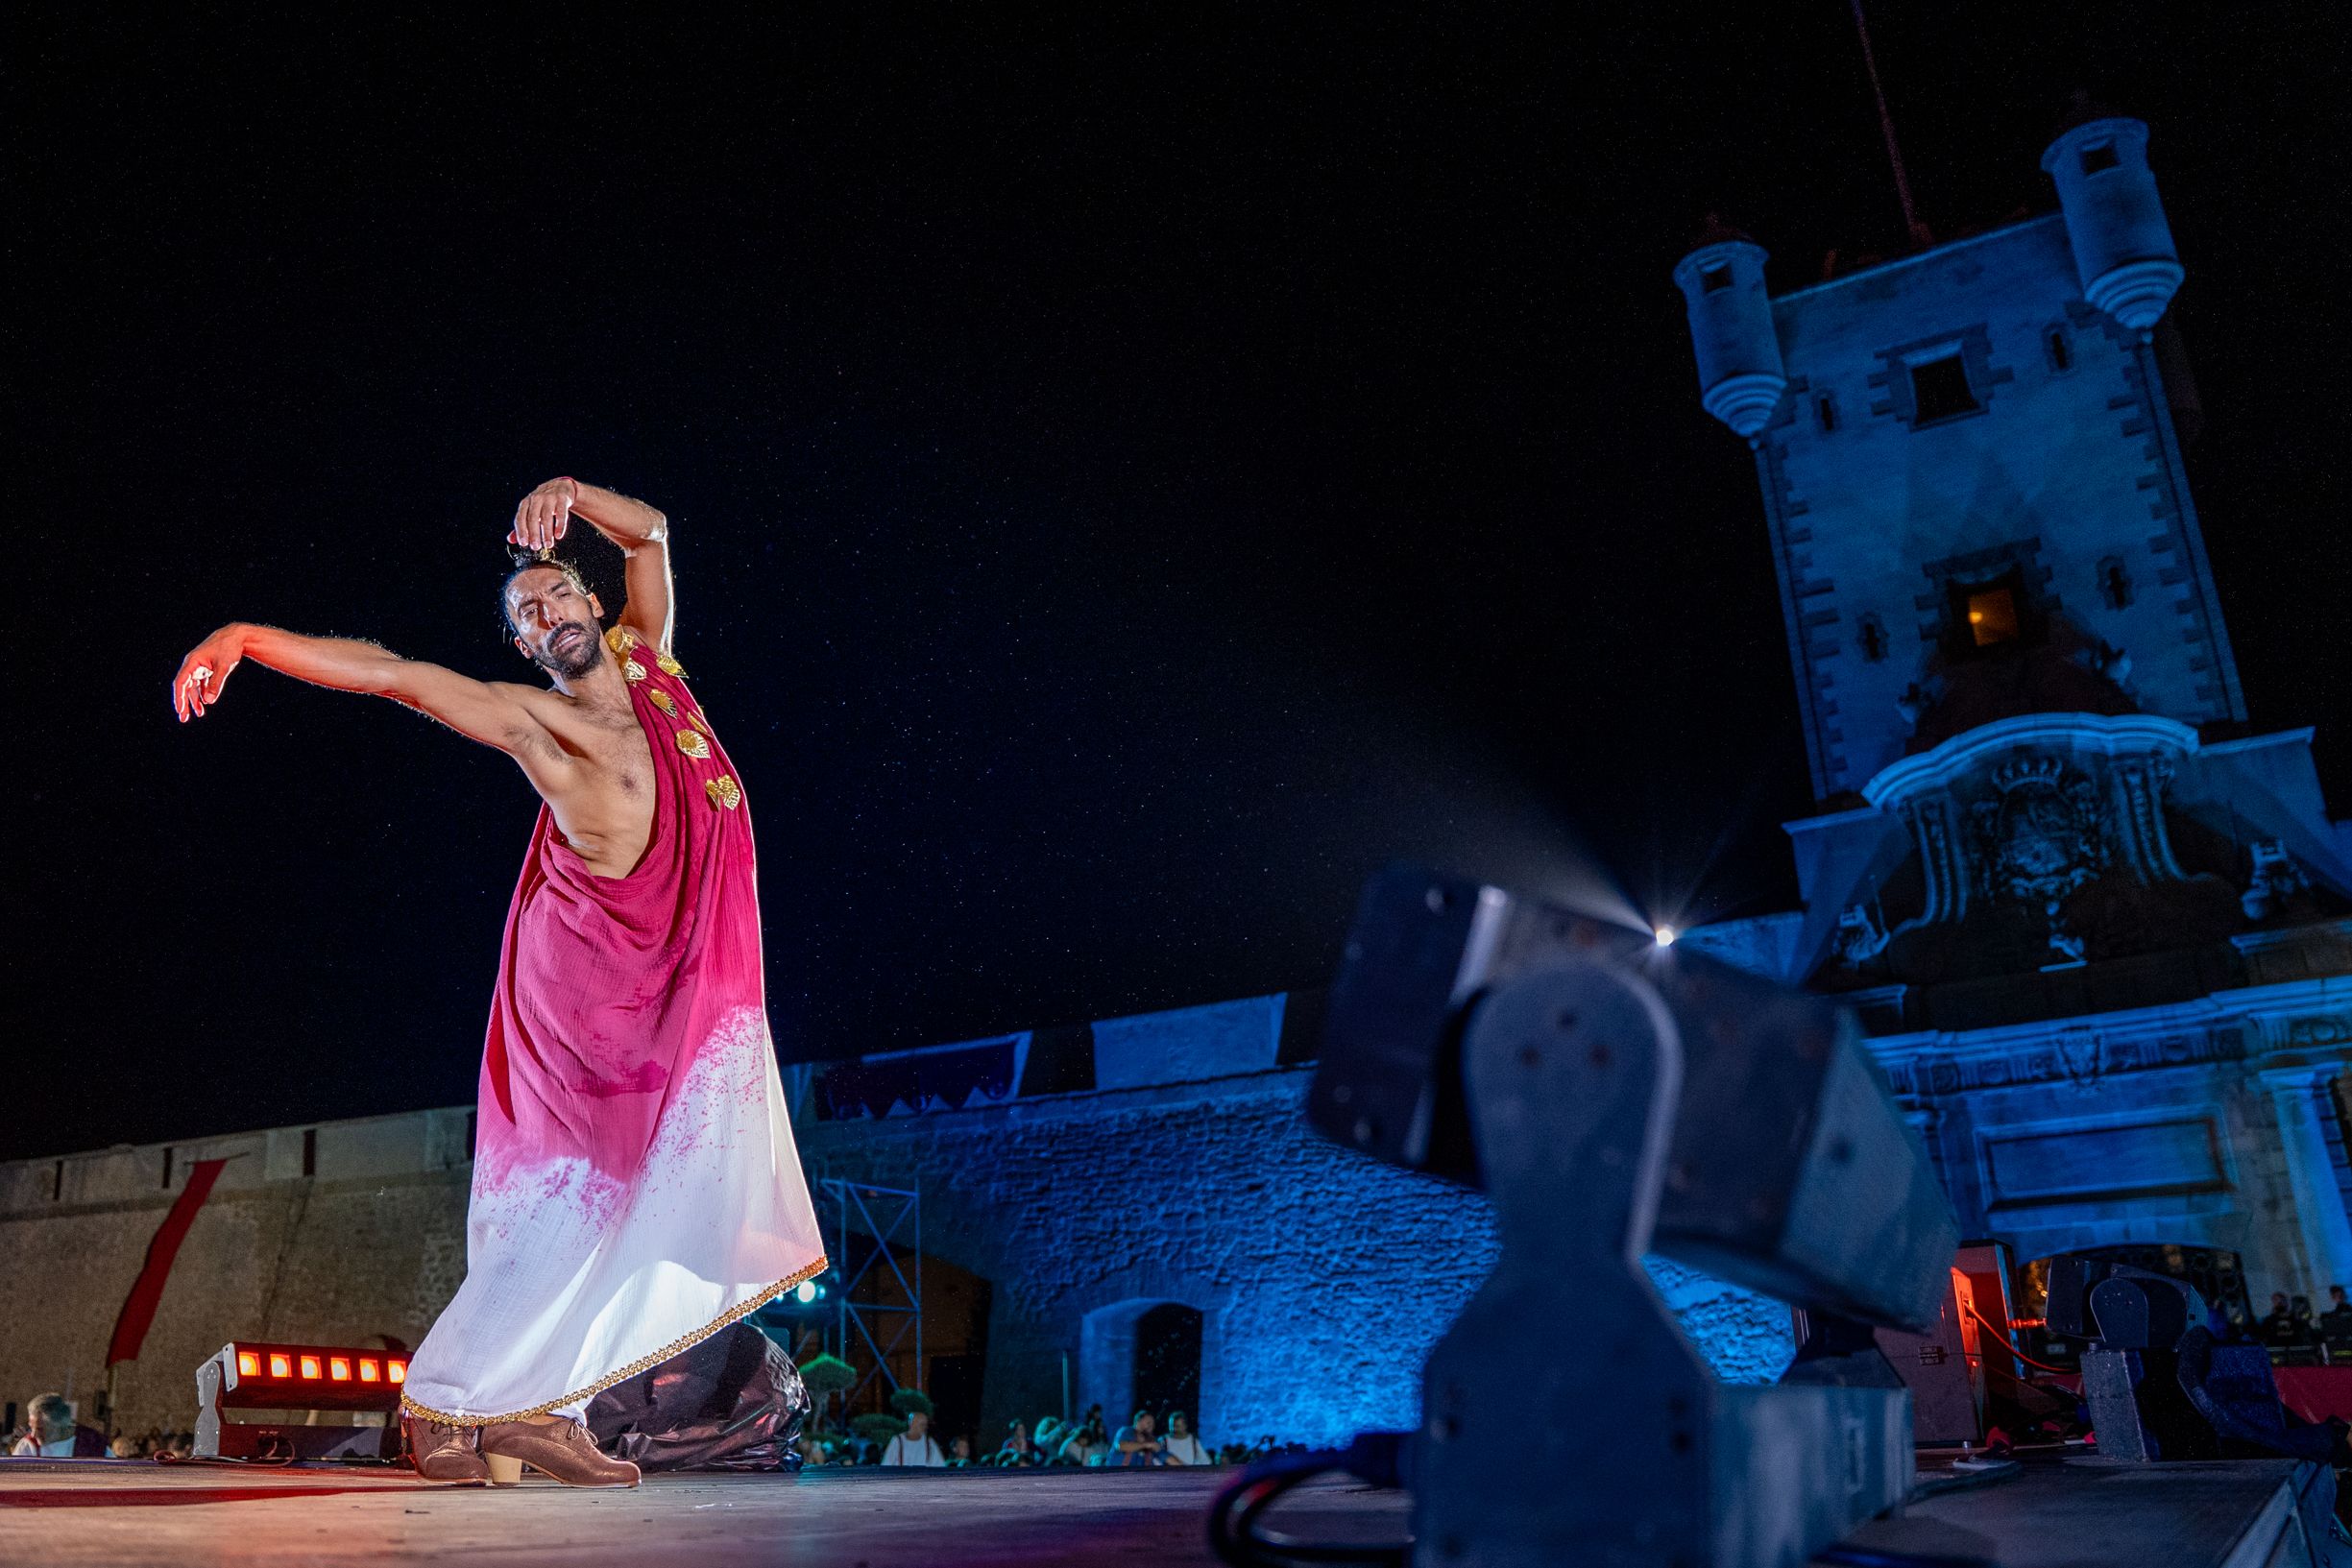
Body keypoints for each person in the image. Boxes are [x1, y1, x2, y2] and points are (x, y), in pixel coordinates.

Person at [172, 477, 828, 1489]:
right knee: (562, 1212)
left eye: (558, 595)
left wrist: (572, 490)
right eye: (527, 616)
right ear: (524, 650)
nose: (547, 614)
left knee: (636, 1215)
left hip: (671, 1000)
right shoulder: (538, 721)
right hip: (584, 1011)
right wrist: (248, 635)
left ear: (593, 605)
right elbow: (400, 676)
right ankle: (440, 1404)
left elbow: (649, 533)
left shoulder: (658, 669)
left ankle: (543, 1411)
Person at [8, 1395, 104, 1458]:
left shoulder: (93, 1443)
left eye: (40, 1429)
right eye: (31, 1427)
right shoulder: (28, 1445)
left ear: (60, 1425)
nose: (33, 1435)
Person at [882, 1406, 947, 1467]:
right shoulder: (897, 1441)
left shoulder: (929, 1442)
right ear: (912, 1424)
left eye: (926, 1424)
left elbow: (939, 1465)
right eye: (922, 1424)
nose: (925, 1427)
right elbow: (887, 1464)